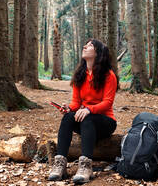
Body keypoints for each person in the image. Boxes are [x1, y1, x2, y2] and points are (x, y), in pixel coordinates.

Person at [48, 39, 118, 184]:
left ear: (98, 53)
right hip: (85, 120)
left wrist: (88, 109)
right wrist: (68, 108)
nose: (84, 46)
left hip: (105, 122)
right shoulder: (81, 74)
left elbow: (107, 103)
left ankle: (86, 166)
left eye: (90, 45)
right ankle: (60, 164)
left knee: (88, 118)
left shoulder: (109, 75)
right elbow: (76, 102)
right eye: (85, 44)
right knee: (68, 117)